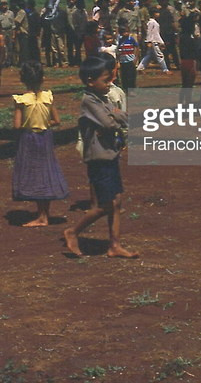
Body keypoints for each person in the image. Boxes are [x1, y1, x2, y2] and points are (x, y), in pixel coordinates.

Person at [62, 57, 138, 259]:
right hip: (99, 158)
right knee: (105, 204)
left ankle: (115, 244)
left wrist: (114, 115)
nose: (109, 84)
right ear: (90, 81)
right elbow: (110, 123)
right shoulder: (89, 100)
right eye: (105, 80)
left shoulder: (102, 98)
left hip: (110, 153)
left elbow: (122, 116)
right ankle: (73, 231)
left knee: (117, 201)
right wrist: (114, 116)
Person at [11, 61, 67, 227]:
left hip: (29, 138)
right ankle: (45, 213)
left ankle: (41, 216)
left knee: (34, 172)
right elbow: (57, 120)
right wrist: (45, 122)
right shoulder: (48, 97)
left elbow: (16, 125)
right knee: (46, 170)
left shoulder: (21, 100)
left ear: (22, 79)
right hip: (46, 137)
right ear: (43, 78)